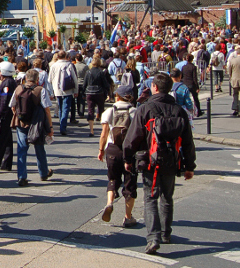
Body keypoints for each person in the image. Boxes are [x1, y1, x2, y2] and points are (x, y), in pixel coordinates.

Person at [123, 72, 196, 255]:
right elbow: (188, 141)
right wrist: (189, 166)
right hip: (172, 160)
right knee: (167, 197)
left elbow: (132, 138)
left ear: (154, 87)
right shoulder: (179, 110)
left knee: (150, 197)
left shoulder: (145, 109)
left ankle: (153, 237)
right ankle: (165, 233)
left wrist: (128, 159)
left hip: (150, 159)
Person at [98, 85, 137, 227]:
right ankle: (128, 217)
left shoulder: (109, 111)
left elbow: (104, 133)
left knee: (113, 179)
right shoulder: (134, 111)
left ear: (117, 96)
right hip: (129, 150)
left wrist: (101, 150)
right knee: (130, 183)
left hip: (112, 149)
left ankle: (109, 203)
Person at [11, 69, 53, 186]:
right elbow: (47, 109)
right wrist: (49, 126)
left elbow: (12, 105)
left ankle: (22, 177)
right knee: (39, 149)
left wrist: (19, 115)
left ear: (26, 78)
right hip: (37, 124)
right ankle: (43, 173)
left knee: (22, 150)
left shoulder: (18, 89)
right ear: (37, 79)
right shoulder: (41, 90)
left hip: (22, 122)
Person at [48, 50, 77, 136]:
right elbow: (74, 78)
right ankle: (63, 126)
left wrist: (52, 90)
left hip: (57, 89)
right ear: (65, 56)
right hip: (67, 89)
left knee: (60, 107)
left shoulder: (54, 65)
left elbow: (49, 79)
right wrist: (76, 90)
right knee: (66, 108)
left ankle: (62, 124)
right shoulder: (69, 65)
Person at [83, 56, 113, 137]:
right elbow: (105, 84)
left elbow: (85, 84)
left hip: (89, 92)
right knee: (101, 110)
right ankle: (103, 129)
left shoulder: (88, 72)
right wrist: (108, 91)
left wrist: (83, 92)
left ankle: (91, 130)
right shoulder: (101, 72)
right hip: (99, 92)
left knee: (90, 110)